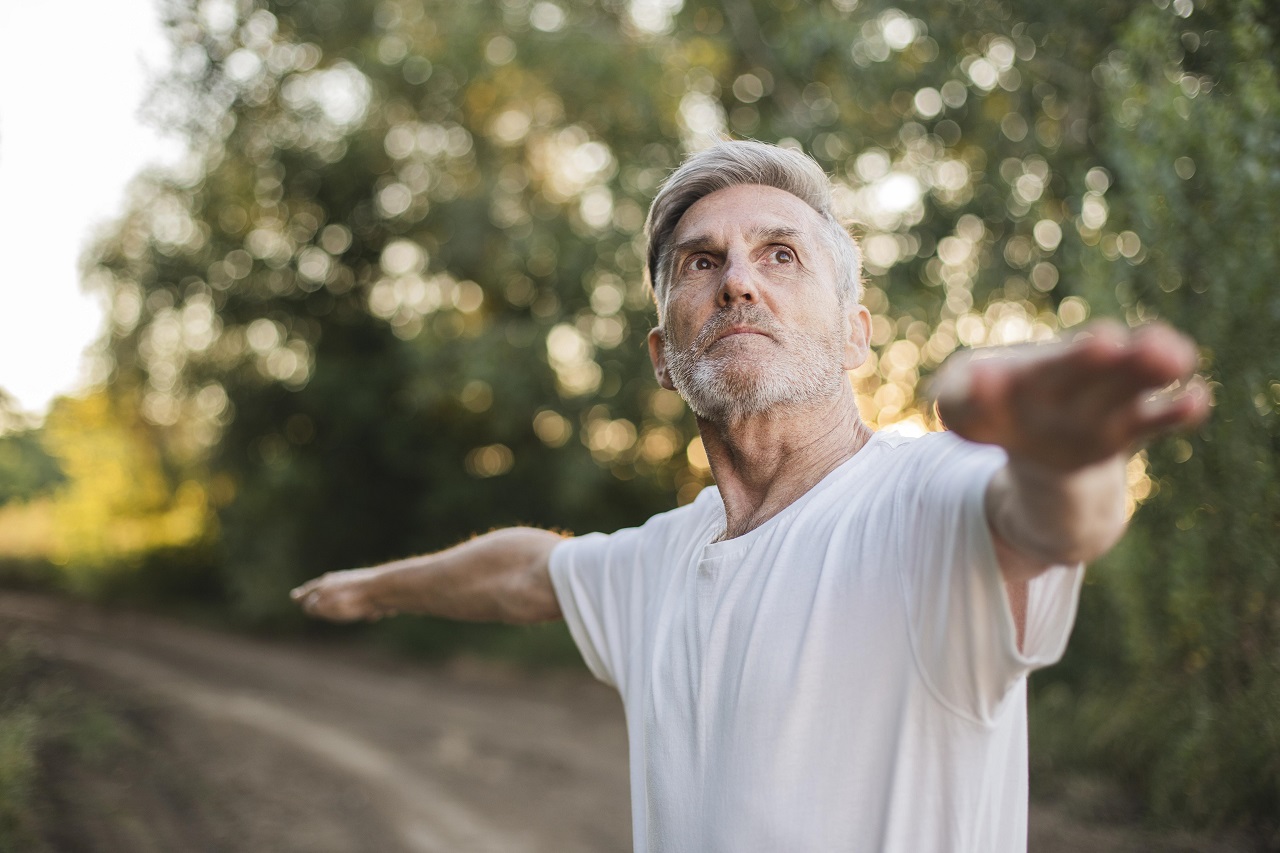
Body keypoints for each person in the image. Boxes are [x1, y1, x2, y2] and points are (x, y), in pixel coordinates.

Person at [291, 140, 1207, 852]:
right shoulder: (661, 558)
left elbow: (1050, 521)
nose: (737, 279)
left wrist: (1067, 456)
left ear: (855, 336)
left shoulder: (927, 501)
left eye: (780, 255)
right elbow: (525, 574)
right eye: (700, 263)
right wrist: (374, 586)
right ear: (663, 356)